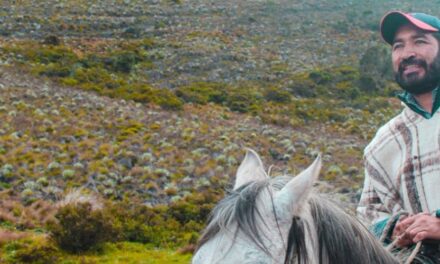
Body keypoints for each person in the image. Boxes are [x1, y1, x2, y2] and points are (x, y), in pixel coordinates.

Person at [357, 11, 440, 259]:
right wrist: (395, 228)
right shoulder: (382, 144)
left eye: (420, 41)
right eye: (398, 46)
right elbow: (368, 215)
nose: (407, 53)